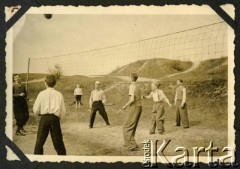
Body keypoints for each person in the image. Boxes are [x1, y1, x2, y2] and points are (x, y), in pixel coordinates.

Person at [33, 75, 66, 155]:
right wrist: (58, 117)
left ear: (45, 83)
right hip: (54, 119)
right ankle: (64, 161)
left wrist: (38, 113)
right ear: (55, 84)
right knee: (58, 142)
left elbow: (36, 109)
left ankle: (37, 162)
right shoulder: (59, 94)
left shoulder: (41, 94)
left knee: (39, 142)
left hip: (44, 118)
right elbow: (63, 110)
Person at [122, 73, 142, 151]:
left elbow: (132, 99)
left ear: (131, 78)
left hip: (134, 107)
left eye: (129, 77)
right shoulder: (138, 86)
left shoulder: (132, 86)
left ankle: (132, 144)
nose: (128, 78)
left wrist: (125, 106)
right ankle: (128, 142)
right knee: (132, 126)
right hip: (139, 107)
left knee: (126, 127)